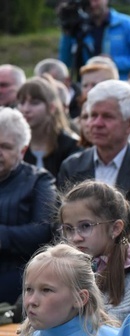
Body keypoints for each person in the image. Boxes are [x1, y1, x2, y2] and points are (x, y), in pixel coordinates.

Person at [58, 79, 130, 239]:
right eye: (93, 115)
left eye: (107, 116)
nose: (96, 123)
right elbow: (59, 229)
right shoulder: (71, 166)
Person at [59, 180, 130, 322]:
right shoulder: (63, 267)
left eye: (85, 226)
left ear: (116, 228)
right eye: (68, 228)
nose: (75, 238)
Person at [0, 107, 57, 304]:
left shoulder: (38, 180)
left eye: (5, 147)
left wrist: (3, 236)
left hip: (19, 277)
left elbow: (43, 230)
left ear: (22, 150)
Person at [58, 0, 130, 79]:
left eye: (96, 0)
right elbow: (65, 62)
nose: (93, 5)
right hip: (89, 87)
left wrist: (113, 62)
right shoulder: (79, 29)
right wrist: (67, 32)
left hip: (120, 86)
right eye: (88, 1)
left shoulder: (126, 25)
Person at [17, 76, 81, 177]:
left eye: (34, 103)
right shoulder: (15, 144)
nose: (26, 109)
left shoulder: (71, 145)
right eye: (21, 102)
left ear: (51, 107)